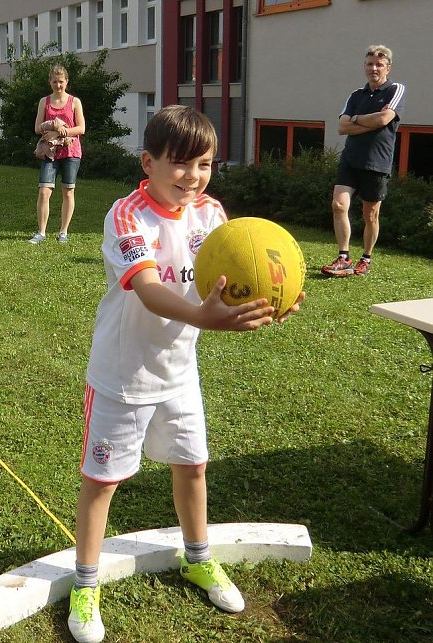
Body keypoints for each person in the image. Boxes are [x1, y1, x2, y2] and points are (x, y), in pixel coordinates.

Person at [67, 105, 303, 643]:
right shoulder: (126, 216)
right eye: (179, 165)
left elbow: (235, 280)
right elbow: (149, 288)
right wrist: (204, 316)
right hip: (122, 376)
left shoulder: (213, 214)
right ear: (147, 163)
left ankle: (197, 557)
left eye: (204, 164)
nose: (192, 177)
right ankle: (86, 583)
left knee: (193, 468)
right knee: (103, 483)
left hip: (179, 373)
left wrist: (270, 301)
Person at [322, 44, 406, 277]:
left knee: (370, 214)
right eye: (369, 64)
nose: (373, 68)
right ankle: (343, 257)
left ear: (388, 68)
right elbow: (341, 127)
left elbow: (384, 119)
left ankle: (366, 258)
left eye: (379, 64)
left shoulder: (395, 90)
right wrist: (367, 121)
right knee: (338, 205)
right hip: (350, 160)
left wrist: (356, 120)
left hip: (376, 163)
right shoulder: (355, 95)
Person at [28, 64, 85, 244]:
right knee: (44, 191)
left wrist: (61, 132)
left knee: (68, 191)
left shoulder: (74, 102)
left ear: (66, 82)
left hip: (71, 151)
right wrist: (53, 125)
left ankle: (63, 232)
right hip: (50, 152)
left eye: (61, 82)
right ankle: (41, 232)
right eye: (55, 82)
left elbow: (81, 128)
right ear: (50, 82)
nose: (58, 85)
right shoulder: (44, 102)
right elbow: (37, 128)